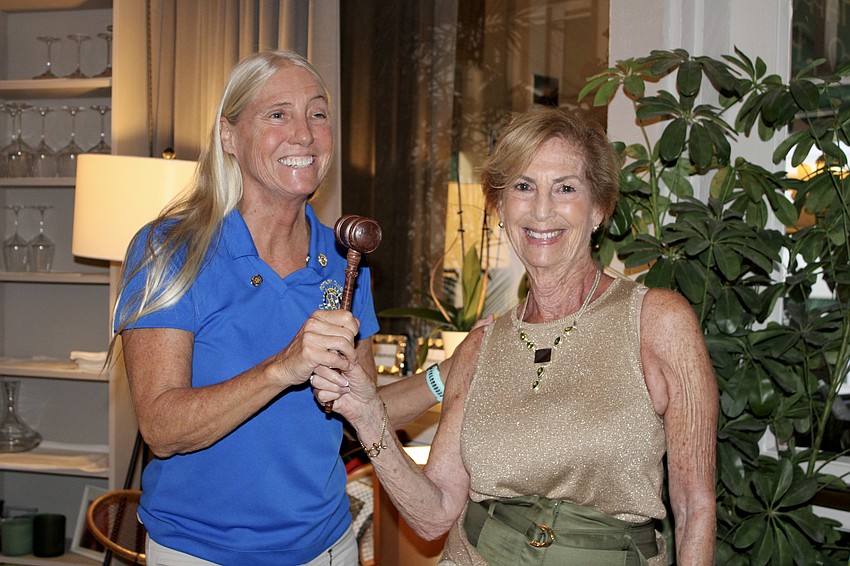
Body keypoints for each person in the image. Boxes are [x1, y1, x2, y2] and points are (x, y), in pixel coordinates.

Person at [313, 107, 718, 565]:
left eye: (565, 188)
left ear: (599, 208)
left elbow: (695, 506)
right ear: (501, 207)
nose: (542, 209)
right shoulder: (482, 346)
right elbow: (434, 516)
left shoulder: (657, 321)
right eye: (523, 187)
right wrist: (369, 418)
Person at [112, 50, 440, 566]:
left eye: (317, 114)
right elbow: (162, 429)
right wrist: (283, 368)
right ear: (229, 135)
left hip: (328, 548)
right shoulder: (169, 251)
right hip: (202, 553)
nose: (305, 134)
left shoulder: (345, 262)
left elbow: (362, 411)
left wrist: (450, 376)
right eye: (278, 114)